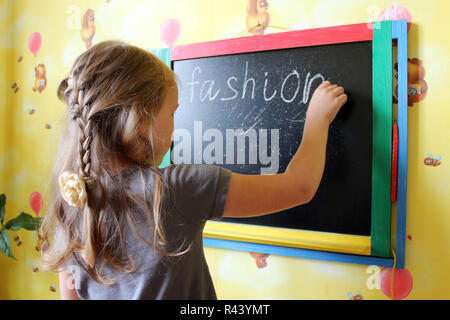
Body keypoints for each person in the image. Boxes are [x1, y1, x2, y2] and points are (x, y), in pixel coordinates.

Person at [38, 40, 347, 300]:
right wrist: (317, 121)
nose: (174, 128)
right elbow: (299, 187)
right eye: (171, 112)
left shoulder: (72, 205)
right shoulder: (173, 189)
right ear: (141, 119)